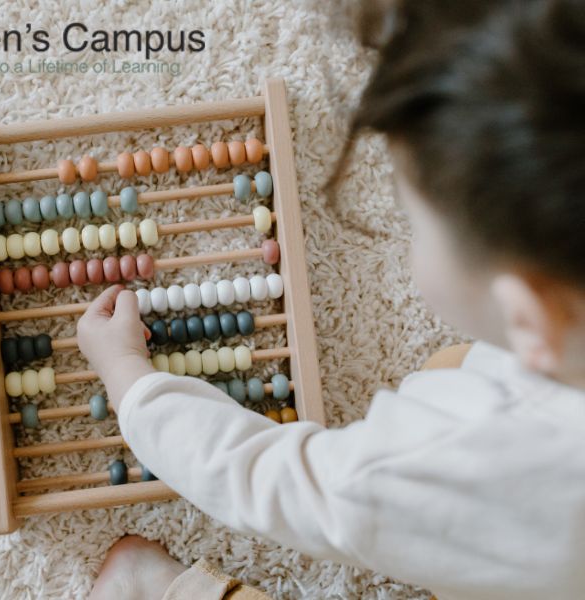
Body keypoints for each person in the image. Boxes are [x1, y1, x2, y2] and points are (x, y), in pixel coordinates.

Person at [81, 0, 585, 598]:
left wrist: (130, 379)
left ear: (529, 315)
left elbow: (263, 479)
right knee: (450, 369)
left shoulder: (444, 460)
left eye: (416, 225)